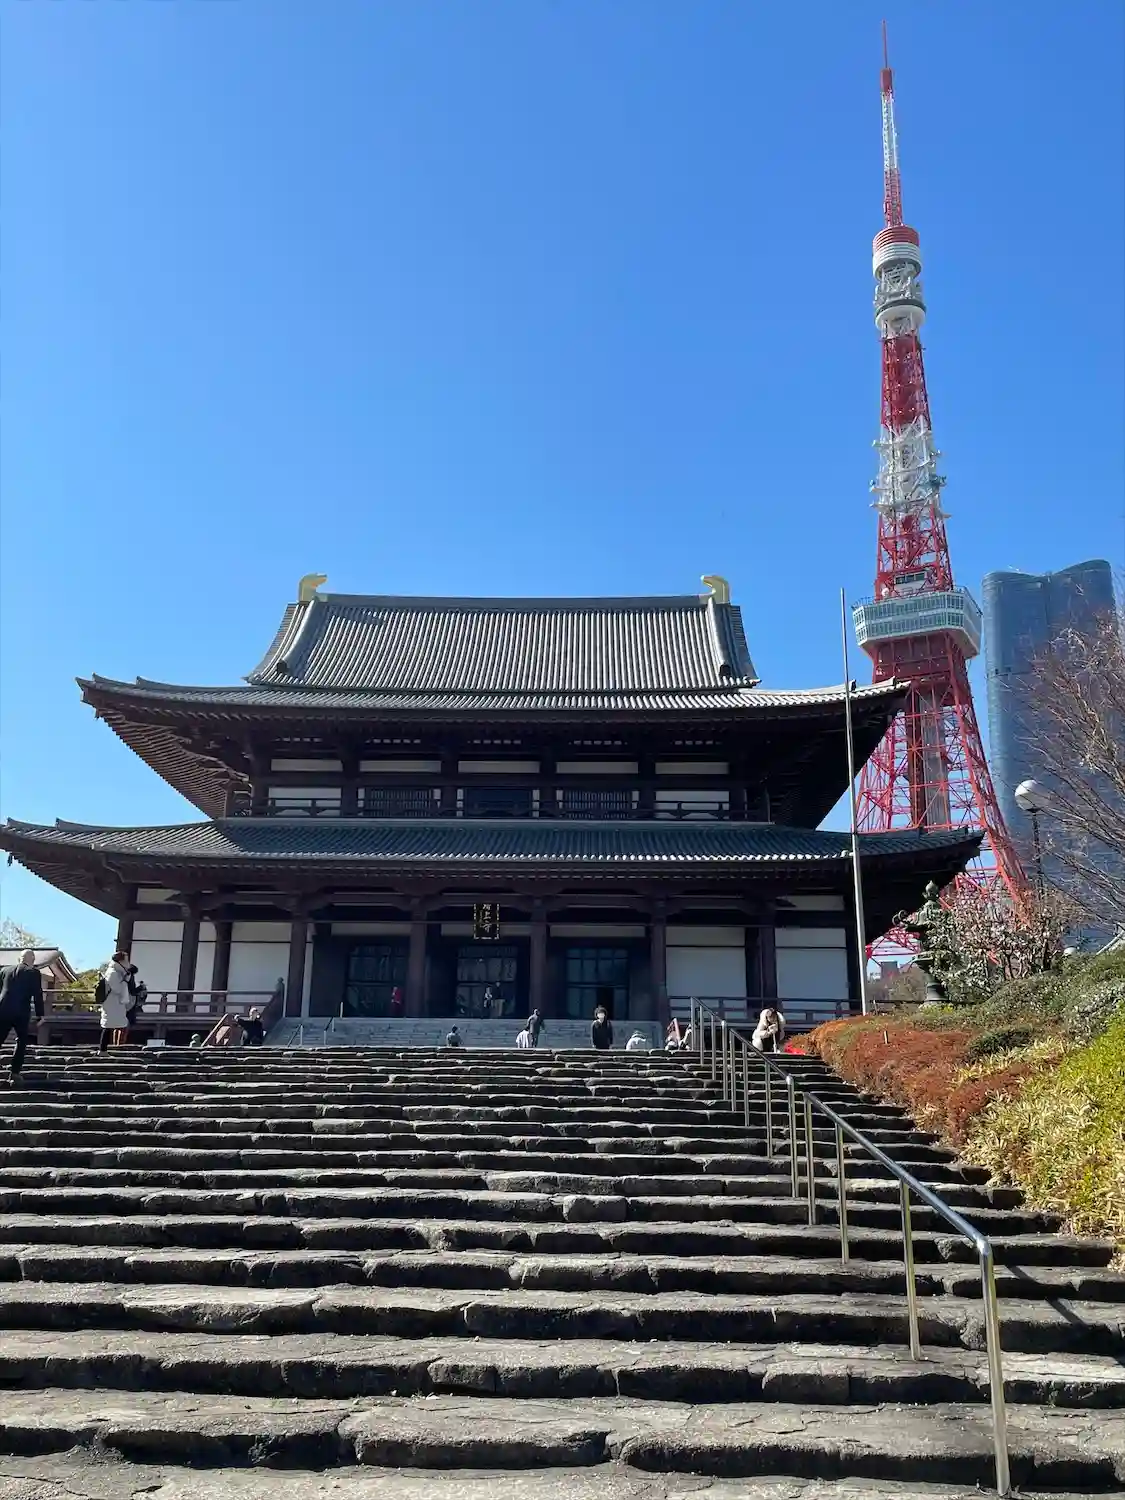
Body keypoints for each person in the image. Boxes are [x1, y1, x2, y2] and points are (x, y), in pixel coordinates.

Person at [0, 950, 45, 1087]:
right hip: (21, 1011)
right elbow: (37, 994)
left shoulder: (4, 970)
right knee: (21, 1040)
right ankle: (14, 1072)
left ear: (19, 958)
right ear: (32, 960)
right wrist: (40, 1015)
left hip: (3, 1009)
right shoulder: (33, 972)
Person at [97, 952, 133, 1054]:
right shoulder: (112, 973)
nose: (127, 962)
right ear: (120, 961)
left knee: (111, 1026)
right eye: (125, 959)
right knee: (108, 1026)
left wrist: (126, 977)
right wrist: (125, 981)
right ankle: (103, 1050)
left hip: (115, 1003)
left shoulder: (118, 971)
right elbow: (117, 988)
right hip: (112, 1002)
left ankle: (104, 1050)